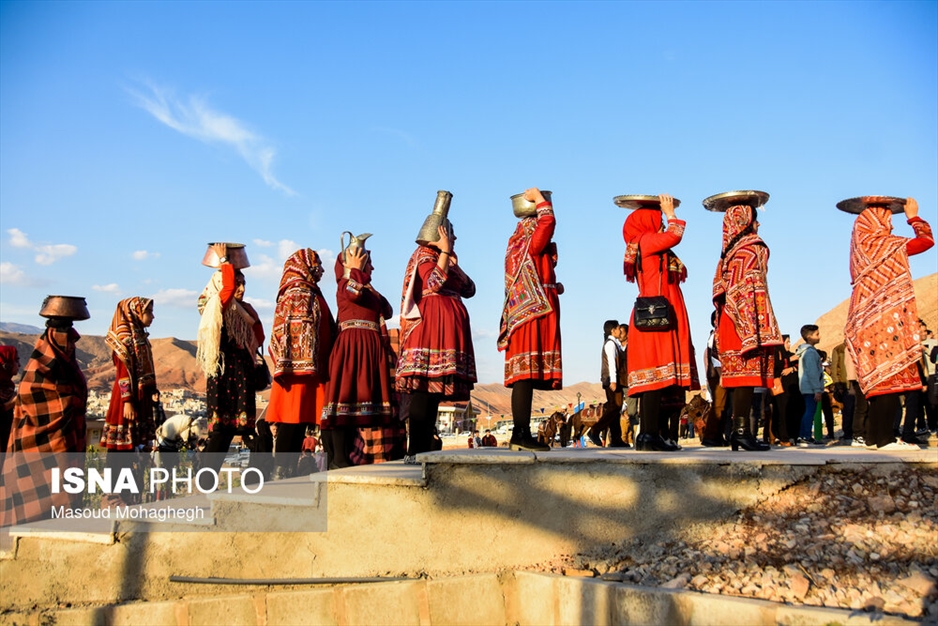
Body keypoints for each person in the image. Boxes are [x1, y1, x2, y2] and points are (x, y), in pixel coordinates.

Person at [845, 197, 933, 450]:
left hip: (866, 318)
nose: (891, 227)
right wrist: (913, 216)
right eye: (887, 221)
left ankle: (876, 437)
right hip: (884, 318)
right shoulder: (885, 245)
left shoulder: (859, 250)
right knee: (889, 378)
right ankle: (884, 439)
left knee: (881, 379)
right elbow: (926, 241)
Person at [1, 297, 89, 526]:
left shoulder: (69, 367)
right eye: (68, 341)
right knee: (34, 498)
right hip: (38, 444)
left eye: (73, 342)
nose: (71, 346)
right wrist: (70, 401)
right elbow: (32, 395)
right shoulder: (38, 367)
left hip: (67, 440)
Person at [397, 211, 477, 462]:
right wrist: (444, 253)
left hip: (448, 331)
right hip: (429, 329)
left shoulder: (448, 260)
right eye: (450, 232)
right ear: (439, 234)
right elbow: (433, 283)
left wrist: (450, 259)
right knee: (423, 388)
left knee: (433, 393)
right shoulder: (423, 256)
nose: (454, 237)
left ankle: (425, 450)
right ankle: (415, 451)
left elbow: (470, 288)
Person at [623, 194, 699, 451]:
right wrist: (670, 211)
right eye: (657, 221)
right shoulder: (646, 241)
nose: (662, 226)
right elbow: (675, 234)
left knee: (655, 377)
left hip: (656, 315)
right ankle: (649, 435)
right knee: (654, 376)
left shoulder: (648, 244)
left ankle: (650, 435)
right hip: (657, 317)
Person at [323, 238, 403, 466]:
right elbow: (353, 293)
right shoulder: (345, 283)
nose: (373, 267)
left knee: (365, 401)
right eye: (369, 262)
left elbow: (387, 309)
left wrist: (365, 280)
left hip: (370, 345)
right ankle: (339, 458)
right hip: (352, 346)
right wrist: (354, 269)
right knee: (346, 398)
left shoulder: (365, 287)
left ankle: (360, 453)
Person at [712, 203, 782, 452]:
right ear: (744, 221)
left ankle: (739, 433)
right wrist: (757, 326)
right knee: (745, 378)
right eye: (753, 218)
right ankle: (742, 433)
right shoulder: (752, 248)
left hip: (729, 320)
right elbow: (752, 288)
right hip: (746, 320)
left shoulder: (727, 254)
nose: (758, 223)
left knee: (739, 379)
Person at [498, 187, 562, 452]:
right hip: (532, 313)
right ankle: (520, 434)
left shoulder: (518, 241)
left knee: (526, 373)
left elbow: (536, 271)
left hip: (531, 310)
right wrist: (542, 202)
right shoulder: (529, 235)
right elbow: (547, 224)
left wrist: (553, 286)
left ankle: (521, 433)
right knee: (524, 375)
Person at [196, 244, 266, 482]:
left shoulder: (243, 310)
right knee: (221, 430)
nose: (241, 289)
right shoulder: (218, 305)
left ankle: (257, 477)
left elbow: (259, 336)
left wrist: (248, 315)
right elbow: (226, 288)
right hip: (224, 371)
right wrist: (226, 259)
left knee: (240, 427)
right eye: (238, 283)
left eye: (244, 284)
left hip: (242, 372)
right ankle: (206, 479)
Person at [266, 248, 336, 471]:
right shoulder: (298, 291)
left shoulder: (310, 291)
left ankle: (287, 471)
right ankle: (281, 472)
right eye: (317, 264)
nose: (321, 269)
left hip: (310, 372)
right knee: (290, 420)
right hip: (297, 373)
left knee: (299, 421)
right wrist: (301, 362)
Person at [100, 297, 159, 506]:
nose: (152, 316)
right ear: (135, 312)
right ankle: (113, 494)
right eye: (149, 311)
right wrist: (127, 401)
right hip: (128, 399)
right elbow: (123, 372)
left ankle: (129, 494)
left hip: (140, 398)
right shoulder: (124, 339)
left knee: (134, 446)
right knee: (120, 448)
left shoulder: (140, 337)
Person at [589, 320, 628, 447]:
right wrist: (613, 380)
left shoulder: (614, 343)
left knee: (615, 408)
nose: (619, 331)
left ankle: (616, 439)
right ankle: (594, 430)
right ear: (613, 330)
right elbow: (611, 363)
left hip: (614, 379)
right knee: (615, 406)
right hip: (611, 380)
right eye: (618, 329)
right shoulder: (610, 344)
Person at [796, 325, 825, 447]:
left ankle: (804, 435)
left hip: (807, 386)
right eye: (816, 334)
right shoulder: (810, 353)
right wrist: (817, 390)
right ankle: (805, 436)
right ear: (809, 336)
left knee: (808, 410)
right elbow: (813, 372)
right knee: (810, 411)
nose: (819, 336)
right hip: (811, 387)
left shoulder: (806, 352)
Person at [0, 346, 19, 454]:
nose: (19, 365)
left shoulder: (9, 386)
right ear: (6, 365)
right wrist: (11, 403)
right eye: (16, 360)